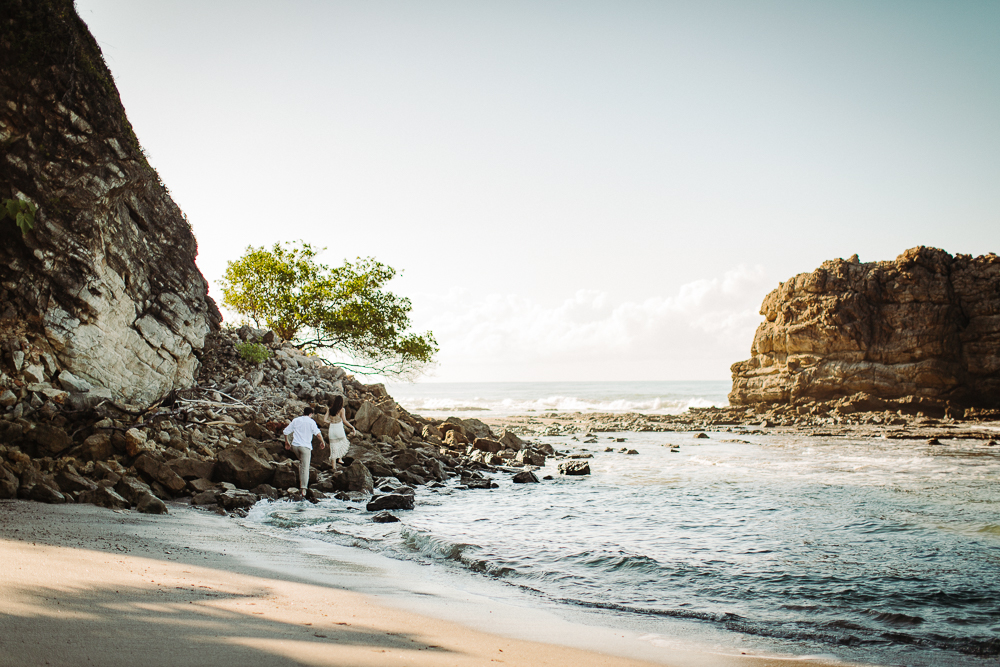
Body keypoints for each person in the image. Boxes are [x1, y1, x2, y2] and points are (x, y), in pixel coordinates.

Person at [282, 406, 325, 495]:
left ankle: (300, 482)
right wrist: (322, 442)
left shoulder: (296, 420)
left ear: (303, 413)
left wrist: (287, 442)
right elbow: (318, 434)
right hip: (305, 447)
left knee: (301, 464)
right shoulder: (311, 422)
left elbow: (285, 431)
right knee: (305, 467)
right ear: (311, 414)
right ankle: (303, 489)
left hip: (295, 446)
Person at [324, 395, 356, 470]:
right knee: (344, 442)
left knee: (333, 448)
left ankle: (334, 468)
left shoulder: (330, 409)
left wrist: (330, 422)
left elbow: (324, 420)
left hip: (332, 430)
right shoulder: (342, 409)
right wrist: (352, 427)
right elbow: (344, 421)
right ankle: (340, 458)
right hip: (339, 429)